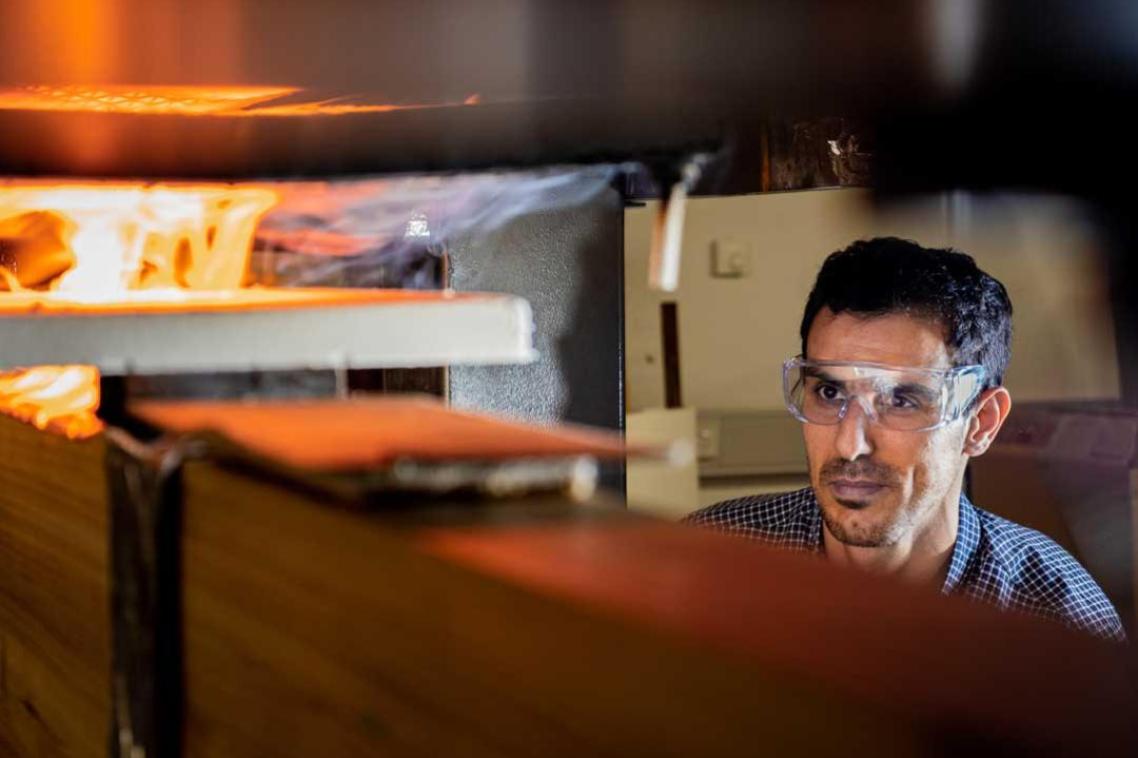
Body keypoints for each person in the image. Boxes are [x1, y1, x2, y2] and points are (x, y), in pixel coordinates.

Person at [687, 237, 1125, 641]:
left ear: (982, 422)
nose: (849, 445)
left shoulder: (1056, 616)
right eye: (829, 392)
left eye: (902, 399)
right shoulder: (713, 560)